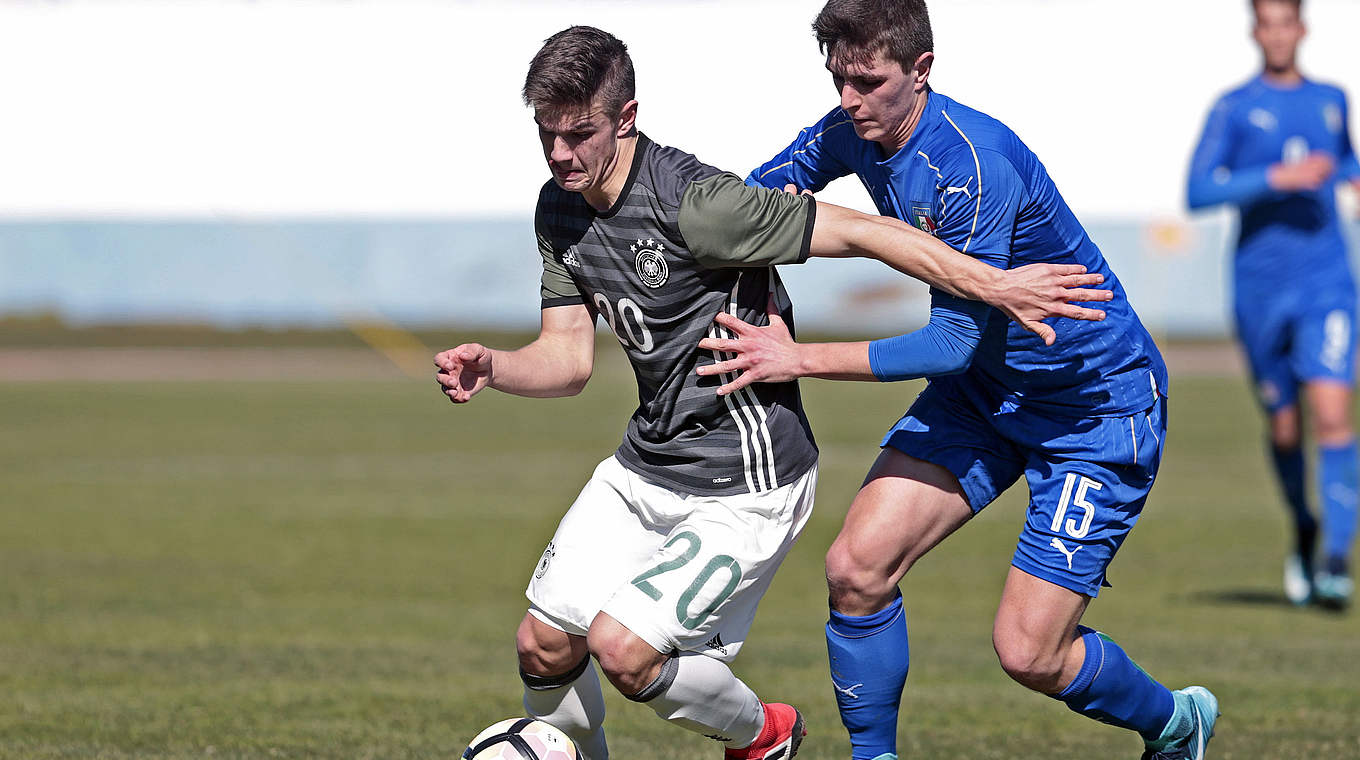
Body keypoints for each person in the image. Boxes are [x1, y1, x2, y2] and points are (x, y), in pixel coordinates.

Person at [436, 24, 1113, 760]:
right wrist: (496, 368)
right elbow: (567, 362)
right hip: (645, 466)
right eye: (547, 135)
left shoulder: (698, 206)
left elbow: (858, 231)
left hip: (744, 477)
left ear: (625, 118)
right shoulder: (560, 208)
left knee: (622, 651)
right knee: (541, 644)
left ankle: (766, 739)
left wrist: (992, 283)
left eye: (579, 133)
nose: (561, 154)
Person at [710, 1, 1219, 758]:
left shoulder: (971, 167)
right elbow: (753, 201)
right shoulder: (851, 126)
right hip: (985, 395)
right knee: (856, 570)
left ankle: (1176, 724)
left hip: (1093, 407)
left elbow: (949, 342)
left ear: (921, 70)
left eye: (868, 80)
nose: (849, 100)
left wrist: (799, 356)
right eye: (837, 79)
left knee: (1029, 652)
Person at [1187, 0, 1360, 609]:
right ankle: (1305, 528)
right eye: (1268, 23)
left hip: (1328, 283)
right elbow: (1199, 188)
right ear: (1256, 31)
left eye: (1288, 22)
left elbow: (1346, 163)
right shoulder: (1234, 107)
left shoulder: (1332, 99)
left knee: (1335, 414)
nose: (1278, 34)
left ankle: (1338, 559)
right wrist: (1274, 180)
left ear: (1302, 30)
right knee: (1285, 426)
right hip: (1261, 290)